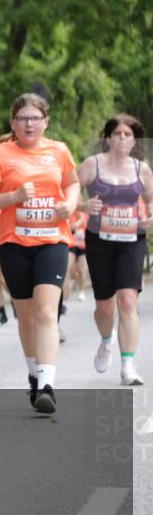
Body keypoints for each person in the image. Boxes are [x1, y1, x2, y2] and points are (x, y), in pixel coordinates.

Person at [0, 93, 79, 414]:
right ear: (13, 123)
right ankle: (34, 376)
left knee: (47, 312)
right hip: (14, 244)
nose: (29, 124)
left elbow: (73, 183)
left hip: (53, 241)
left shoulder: (59, 151)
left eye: (35, 118)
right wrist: (15, 196)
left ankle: (47, 385)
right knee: (26, 316)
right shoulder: (0, 154)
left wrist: (70, 205)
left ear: (45, 122)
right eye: (23, 118)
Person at [76, 113, 153, 386]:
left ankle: (128, 367)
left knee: (128, 301)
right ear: (108, 138)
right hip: (99, 240)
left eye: (128, 134)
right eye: (117, 133)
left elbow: (150, 200)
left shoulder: (142, 169)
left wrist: (150, 217)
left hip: (132, 240)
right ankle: (106, 341)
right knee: (105, 308)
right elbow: (69, 198)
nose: (122, 138)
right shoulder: (91, 165)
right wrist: (84, 206)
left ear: (135, 140)